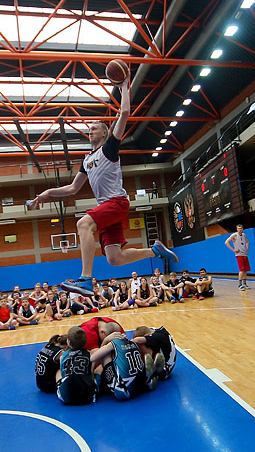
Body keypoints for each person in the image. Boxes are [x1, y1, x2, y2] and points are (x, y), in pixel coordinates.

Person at [29, 72, 178, 297]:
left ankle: (86, 279)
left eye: (95, 127)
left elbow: (125, 112)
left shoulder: (109, 148)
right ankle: (154, 250)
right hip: (108, 210)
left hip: (116, 203)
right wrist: (47, 193)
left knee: (83, 224)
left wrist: (124, 87)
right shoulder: (87, 160)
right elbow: (72, 188)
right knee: (114, 259)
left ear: (105, 132)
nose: (90, 130)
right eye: (89, 129)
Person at [90, 321, 147, 400]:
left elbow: (92, 358)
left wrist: (105, 341)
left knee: (103, 354)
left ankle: (95, 382)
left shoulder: (113, 343)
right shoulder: (132, 342)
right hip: (139, 387)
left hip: (122, 391)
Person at [55, 326, 101, 405]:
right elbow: (91, 374)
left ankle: (62, 389)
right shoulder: (89, 355)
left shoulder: (63, 356)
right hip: (88, 398)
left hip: (67, 398)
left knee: (59, 372)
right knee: (99, 369)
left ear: (68, 342)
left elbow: (64, 375)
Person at [225, 223, 251, 291]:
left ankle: (244, 284)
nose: (240, 229)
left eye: (241, 228)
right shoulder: (234, 235)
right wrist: (233, 249)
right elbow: (226, 242)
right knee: (241, 270)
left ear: (242, 229)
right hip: (239, 254)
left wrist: (247, 249)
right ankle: (240, 285)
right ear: (237, 229)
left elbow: (247, 242)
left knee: (245, 270)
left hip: (244, 254)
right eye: (238, 228)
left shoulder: (244, 235)